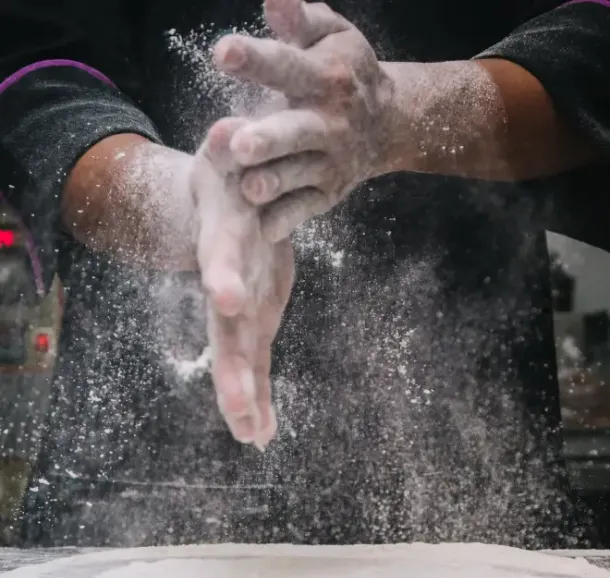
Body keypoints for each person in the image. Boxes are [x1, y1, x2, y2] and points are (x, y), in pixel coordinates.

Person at [1, 0, 609, 548]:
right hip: (143, 474)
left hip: (475, 454)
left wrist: (407, 112)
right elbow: (37, 72)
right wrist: (184, 205)